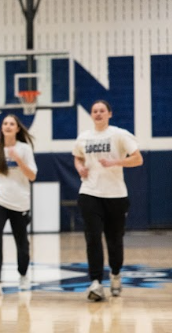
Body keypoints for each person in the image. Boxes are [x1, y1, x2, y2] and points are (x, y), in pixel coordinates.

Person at [73, 100, 143, 301]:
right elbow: (77, 157)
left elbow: (138, 159)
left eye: (102, 110)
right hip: (89, 192)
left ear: (109, 114)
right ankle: (95, 282)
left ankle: (115, 274)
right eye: (94, 111)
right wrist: (80, 168)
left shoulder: (119, 135)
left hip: (115, 195)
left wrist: (115, 162)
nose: (98, 113)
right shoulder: (84, 137)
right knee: (93, 238)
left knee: (114, 240)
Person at [0, 115, 38, 296]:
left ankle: (23, 274)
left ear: (17, 129)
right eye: (5, 123)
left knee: (22, 243)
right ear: (2, 128)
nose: (8, 126)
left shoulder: (24, 149)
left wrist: (19, 160)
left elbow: (32, 176)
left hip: (20, 202)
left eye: (12, 124)